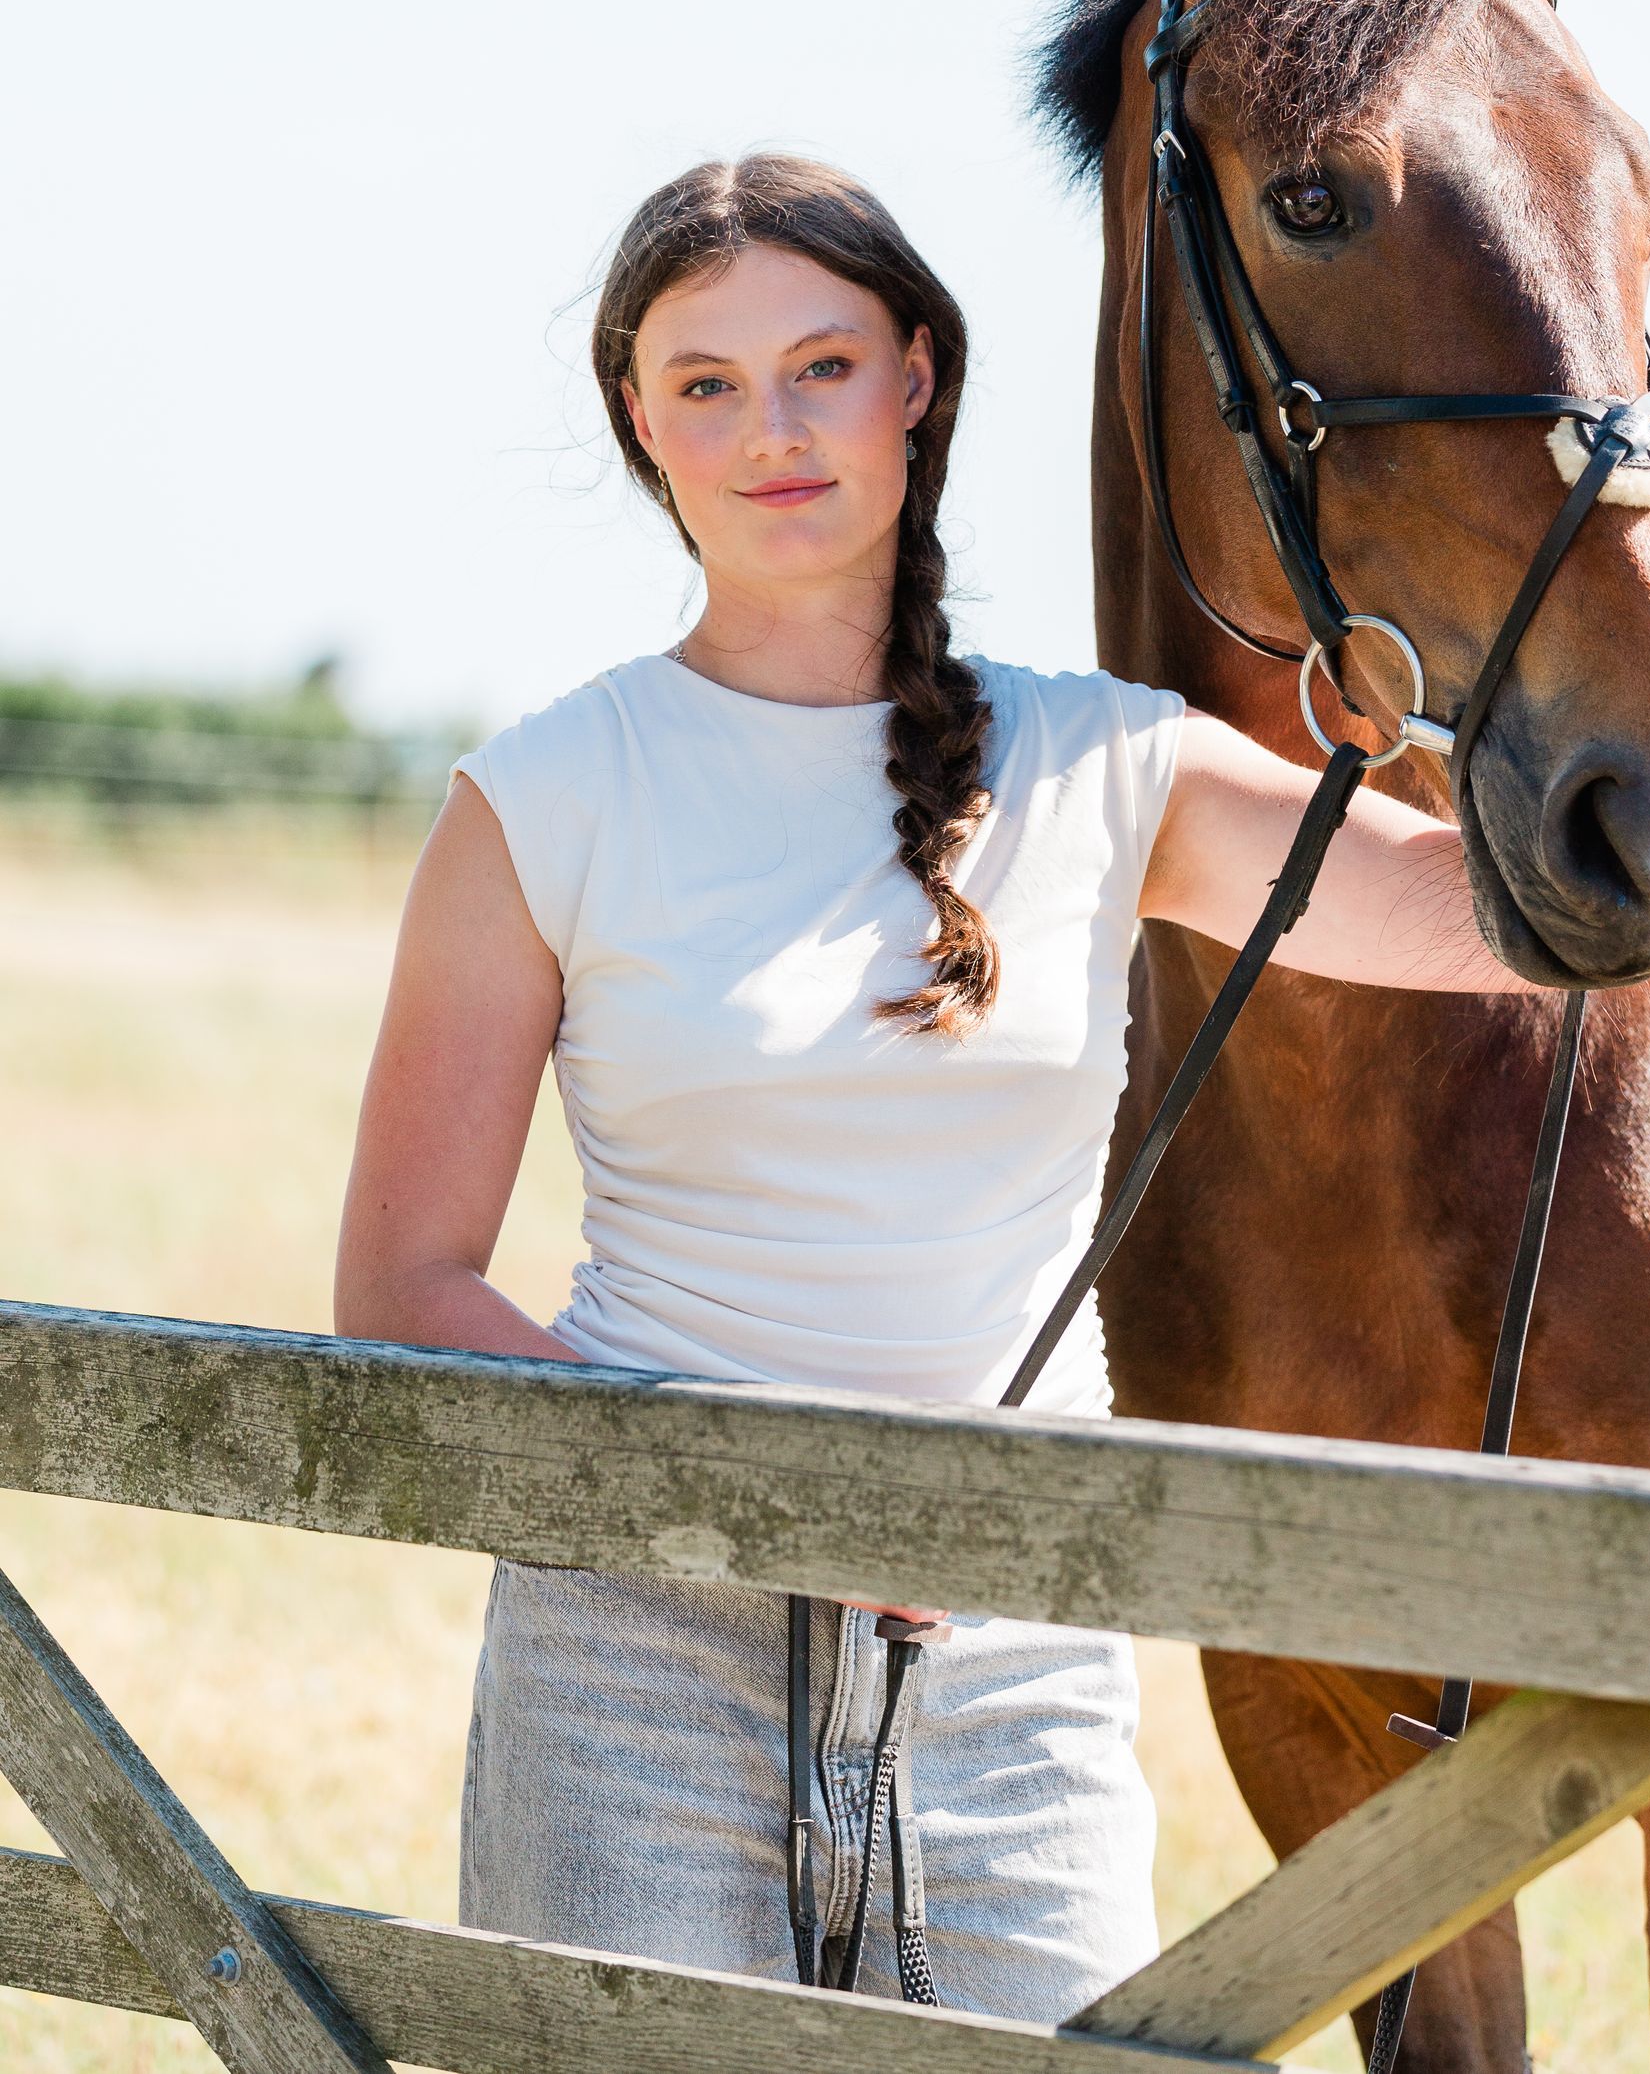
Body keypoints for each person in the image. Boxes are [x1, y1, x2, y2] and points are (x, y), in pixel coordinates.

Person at [333, 152, 1534, 2023]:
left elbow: (1504, 915)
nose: (770, 430)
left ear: (919, 379)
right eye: (705, 383)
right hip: (633, 1648)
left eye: (821, 364)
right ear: (639, 424)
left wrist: (1617, 670)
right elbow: (404, 1288)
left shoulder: (1101, 763)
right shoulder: (541, 798)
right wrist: (771, 1500)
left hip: (1010, 1655)